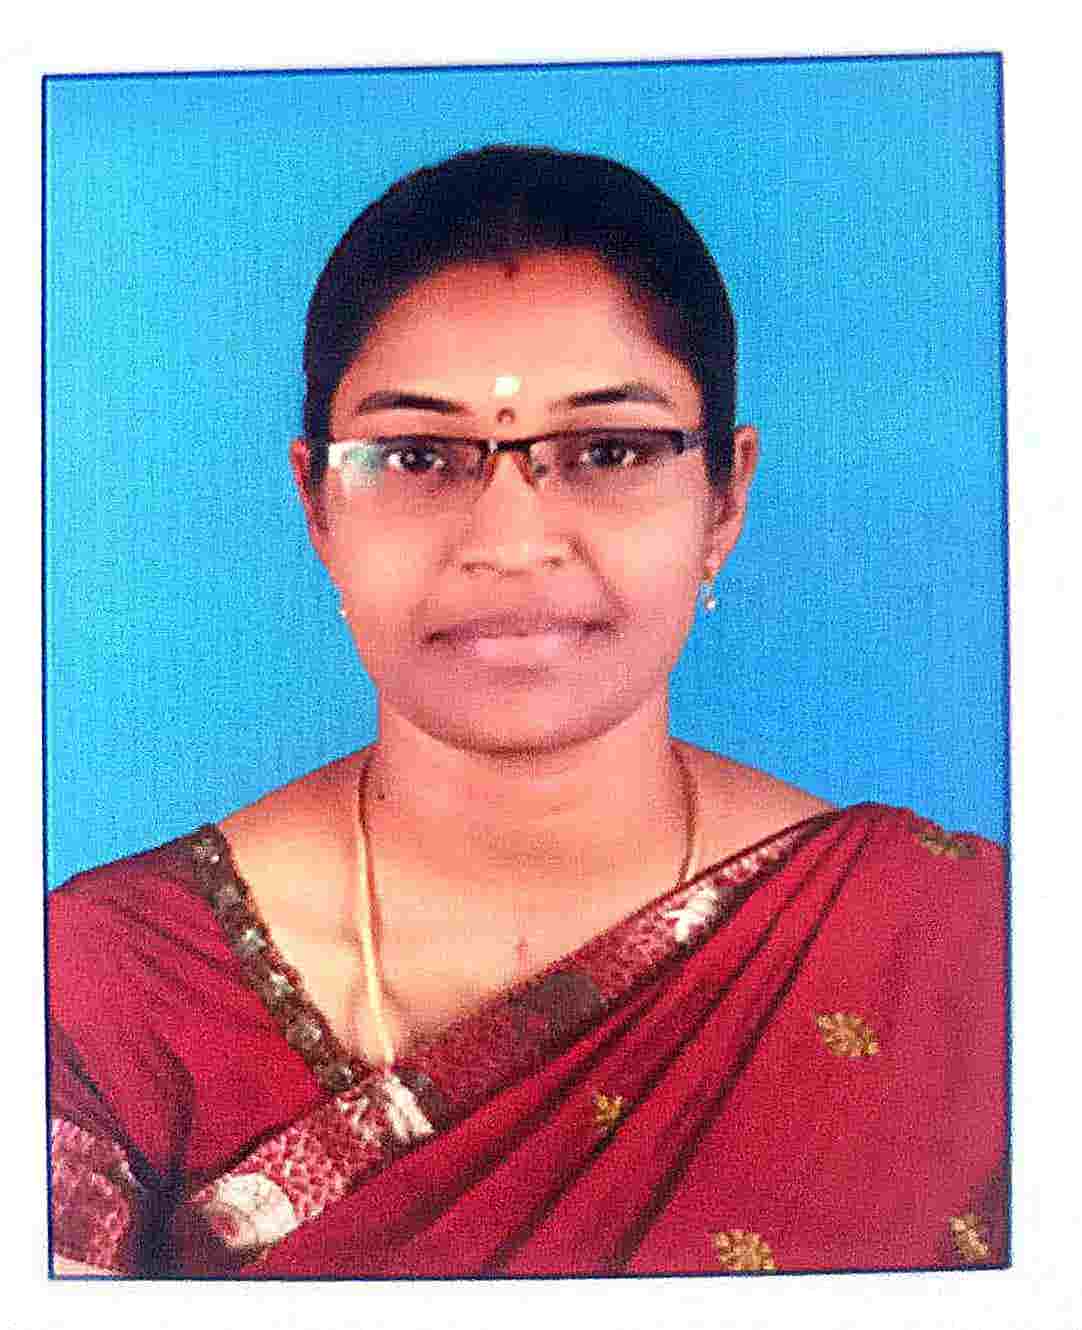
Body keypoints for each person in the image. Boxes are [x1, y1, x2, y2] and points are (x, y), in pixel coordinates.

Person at [47, 145, 1006, 1278]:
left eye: (609, 450)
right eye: (417, 456)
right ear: (316, 503)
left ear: (725, 498)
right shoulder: (97, 988)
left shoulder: (963, 948)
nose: (509, 545)